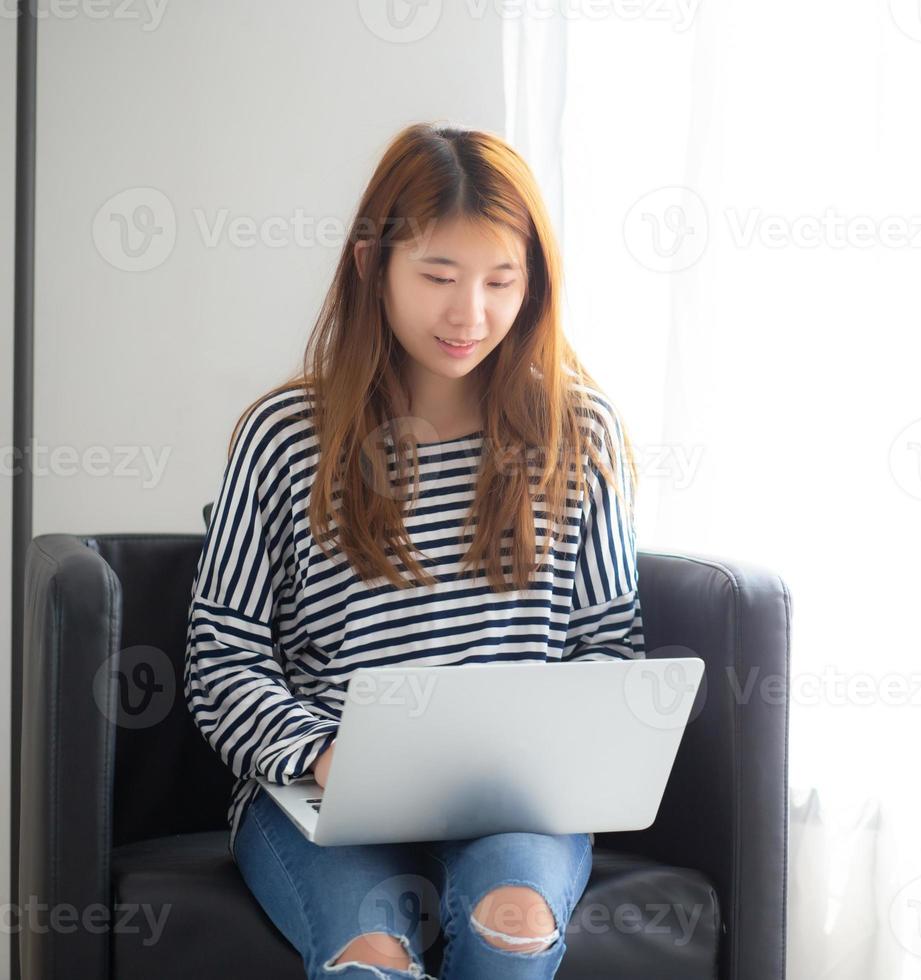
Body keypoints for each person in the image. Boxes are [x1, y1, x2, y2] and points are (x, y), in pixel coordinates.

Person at [182, 122, 645, 980]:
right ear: (371, 266)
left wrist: (563, 754)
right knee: (372, 956)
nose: (470, 314)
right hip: (323, 797)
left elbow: (607, 645)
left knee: (513, 924)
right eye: (438, 276)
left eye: (501, 281)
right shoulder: (286, 436)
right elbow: (222, 655)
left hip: (517, 808)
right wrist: (324, 753)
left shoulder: (578, 434)